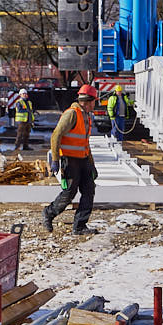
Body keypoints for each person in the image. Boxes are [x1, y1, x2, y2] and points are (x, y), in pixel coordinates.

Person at [42, 84, 98, 235]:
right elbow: (56, 135)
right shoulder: (72, 114)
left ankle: (79, 226)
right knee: (69, 194)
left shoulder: (86, 115)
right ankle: (49, 213)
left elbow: (84, 142)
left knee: (89, 191)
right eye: (94, 101)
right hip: (70, 160)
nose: (95, 104)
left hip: (83, 160)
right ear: (87, 101)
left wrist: (91, 164)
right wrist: (55, 160)